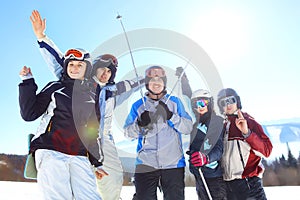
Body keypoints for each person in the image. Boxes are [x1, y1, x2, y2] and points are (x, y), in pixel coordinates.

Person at [30, 10, 144, 200]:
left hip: (101, 137)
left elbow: (130, 84)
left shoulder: (111, 91)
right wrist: (42, 38)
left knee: (112, 180)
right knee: (69, 182)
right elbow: (60, 61)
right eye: (102, 69)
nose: (105, 74)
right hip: (75, 138)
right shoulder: (80, 81)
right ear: (92, 68)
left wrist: (145, 79)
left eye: (110, 72)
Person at [19, 48, 103, 199]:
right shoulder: (55, 88)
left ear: (87, 69)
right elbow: (29, 114)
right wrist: (27, 83)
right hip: (52, 149)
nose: (74, 68)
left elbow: (92, 131)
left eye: (79, 65)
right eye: (71, 65)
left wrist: (97, 162)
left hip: (79, 154)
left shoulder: (92, 96)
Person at [124, 65, 193, 200]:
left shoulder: (174, 102)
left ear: (165, 83)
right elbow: (127, 134)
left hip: (173, 163)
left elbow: (187, 128)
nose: (156, 84)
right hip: (145, 164)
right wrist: (140, 124)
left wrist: (171, 116)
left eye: (160, 81)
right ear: (147, 84)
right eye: (152, 81)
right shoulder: (138, 105)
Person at [176, 67, 227, 199]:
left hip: (213, 175)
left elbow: (219, 147)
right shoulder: (196, 121)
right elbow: (188, 96)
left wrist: (206, 158)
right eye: (196, 105)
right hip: (198, 173)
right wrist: (183, 80)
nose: (199, 107)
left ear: (210, 103)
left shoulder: (216, 121)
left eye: (203, 103)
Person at [217, 88, 273, 200]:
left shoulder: (249, 122)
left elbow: (267, 150)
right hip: (228, 186)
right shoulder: (222, 126)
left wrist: (247, 133)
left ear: (237, 101)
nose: (228, 105)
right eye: (223, 102)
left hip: (249, 184)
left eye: (231, 100)